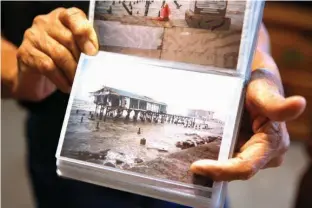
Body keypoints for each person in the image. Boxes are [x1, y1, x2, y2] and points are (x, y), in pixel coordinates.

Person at [1, 1, 306, 208]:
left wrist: (260, 70)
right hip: (60, 133)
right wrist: (18, 74)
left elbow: (249, 21)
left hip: (192, 173)